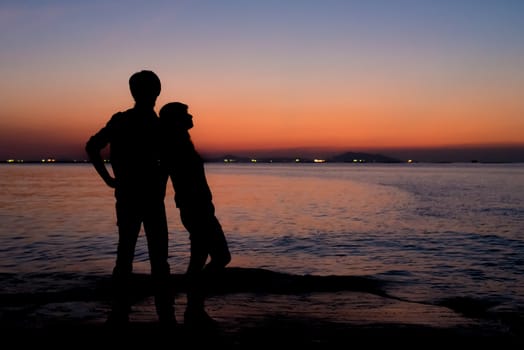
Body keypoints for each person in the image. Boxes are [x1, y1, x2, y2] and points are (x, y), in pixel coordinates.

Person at [85, 70, 175, 326]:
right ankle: (161, 315)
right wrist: (109, 179)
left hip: (133, 197)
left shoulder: (125, 121)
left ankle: (121, 312)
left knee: (127, 254)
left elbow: (93, 146)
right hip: (144, 198)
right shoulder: (153, 124)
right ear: (156, 92)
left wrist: (109, 179)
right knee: (155, 257)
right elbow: (92, 146)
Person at [159, 102, 231, 327]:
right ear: (177, 120)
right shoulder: (175, 146)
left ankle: (194, 306)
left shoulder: (181, 144)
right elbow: (171, 179)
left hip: (197, 208)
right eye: (186, 114)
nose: (191, 117)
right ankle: (194, 303)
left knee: (198, 260)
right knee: (221, 257)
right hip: (196, 209)